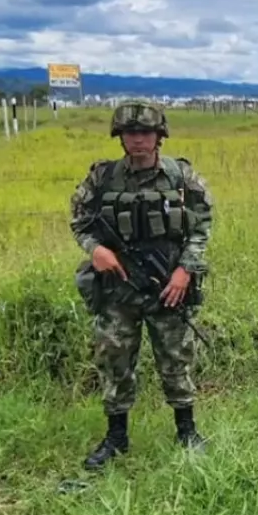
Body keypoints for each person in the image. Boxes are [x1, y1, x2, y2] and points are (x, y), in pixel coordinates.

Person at [69, 99, 215, 470]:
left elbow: (202, 225)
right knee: (114, 360)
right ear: (120, 138)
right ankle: (116, 437)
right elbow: (80, 221)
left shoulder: (181, 177)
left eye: (145, 133)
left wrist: (185, 270)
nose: (138, 140)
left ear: (159, 136)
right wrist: (96, 249)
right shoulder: (102, 178)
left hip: (168, 285)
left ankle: (187, 431)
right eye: (130, 133)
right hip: (118, 288)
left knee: (176, 359)